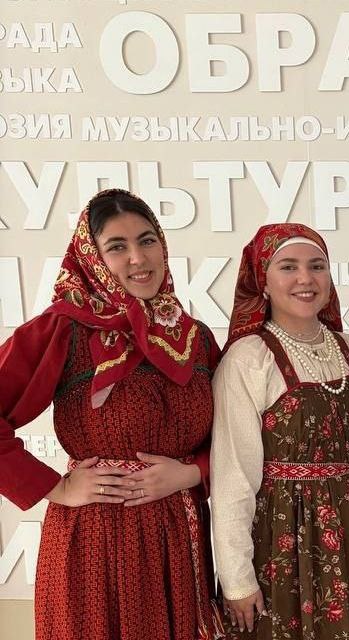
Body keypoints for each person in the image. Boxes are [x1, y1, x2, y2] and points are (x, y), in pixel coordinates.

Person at [0, 189, 222, 639]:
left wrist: (193, 473)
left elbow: (235, 438)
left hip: (179, 542)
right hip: (95, 541)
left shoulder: (195, 338)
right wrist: (56, 487)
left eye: (147, 240)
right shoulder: (64, 328)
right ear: (93, 258)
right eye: (117, 246)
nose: (138, 258)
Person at [211, 223, 349, 639]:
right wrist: (237, 580)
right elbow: (233, 479)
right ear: (263, 282)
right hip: (277, 544)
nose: (306, 278)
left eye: (317, 266)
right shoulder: (248, 360)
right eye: (288, 267)